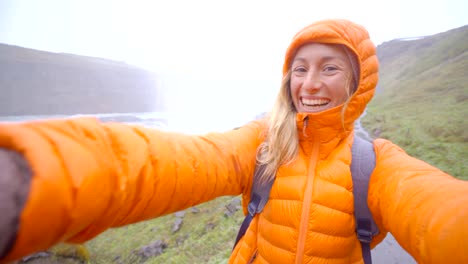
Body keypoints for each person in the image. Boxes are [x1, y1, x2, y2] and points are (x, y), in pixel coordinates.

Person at [0, 19, 467, 264]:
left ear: (357, 82)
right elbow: (187, 160)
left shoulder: (376, 163)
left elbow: (437, 211)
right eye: (300, 68)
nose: (309, 83)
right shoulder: (263, 142)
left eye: (330, 68)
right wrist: (35, 178)